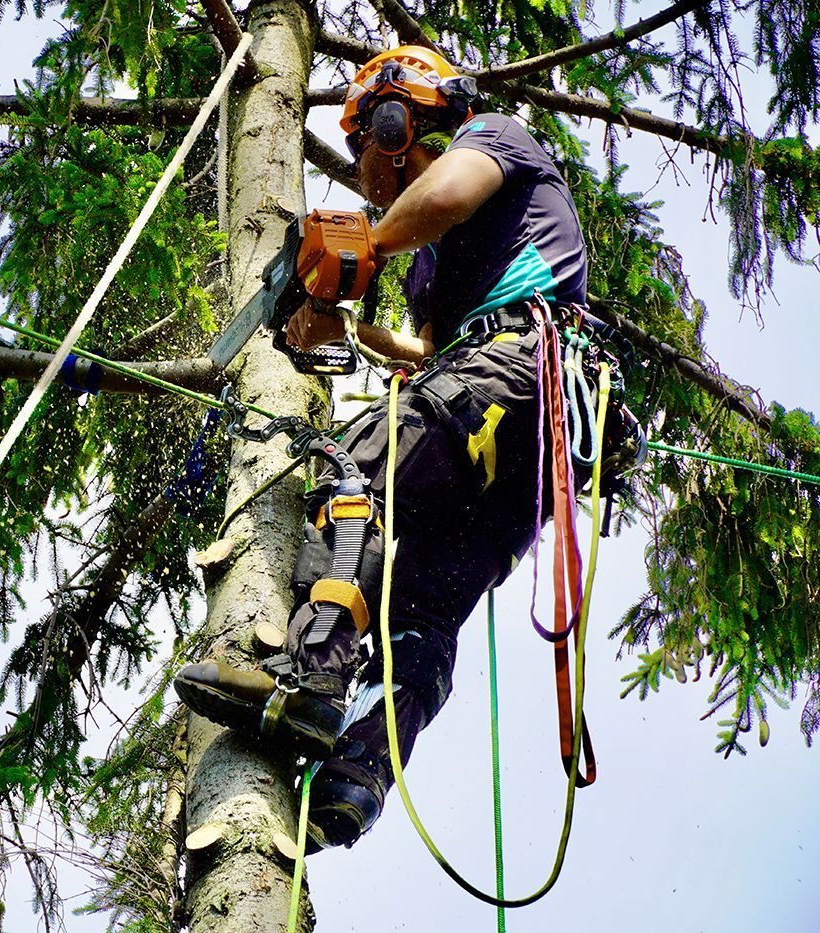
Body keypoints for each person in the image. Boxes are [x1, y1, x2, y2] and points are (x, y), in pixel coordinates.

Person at [175, 45, 595, 849]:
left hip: (520, 369)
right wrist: (344, 322)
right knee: (422, 607)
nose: (367, 173)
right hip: (530, 440)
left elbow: (443, 196)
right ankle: (354, 773)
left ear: (400, 121)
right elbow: (431, 356)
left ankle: (312, 677)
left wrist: (356, 249)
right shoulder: (433, 262)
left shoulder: (491, 141)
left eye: (368, 142)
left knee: (352, 466)